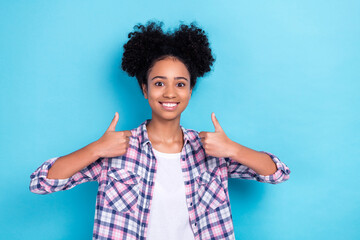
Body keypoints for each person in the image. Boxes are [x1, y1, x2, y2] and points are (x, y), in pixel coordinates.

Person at [29, 20, 291, 240]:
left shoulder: (210, 149)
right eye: (158, 83)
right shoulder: (117, 150)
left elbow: (277, 173)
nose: (169, 93)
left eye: (180, 84)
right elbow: (42, 182)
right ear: (144, 90)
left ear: (190, 91)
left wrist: (233, 149)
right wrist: (96, 149)